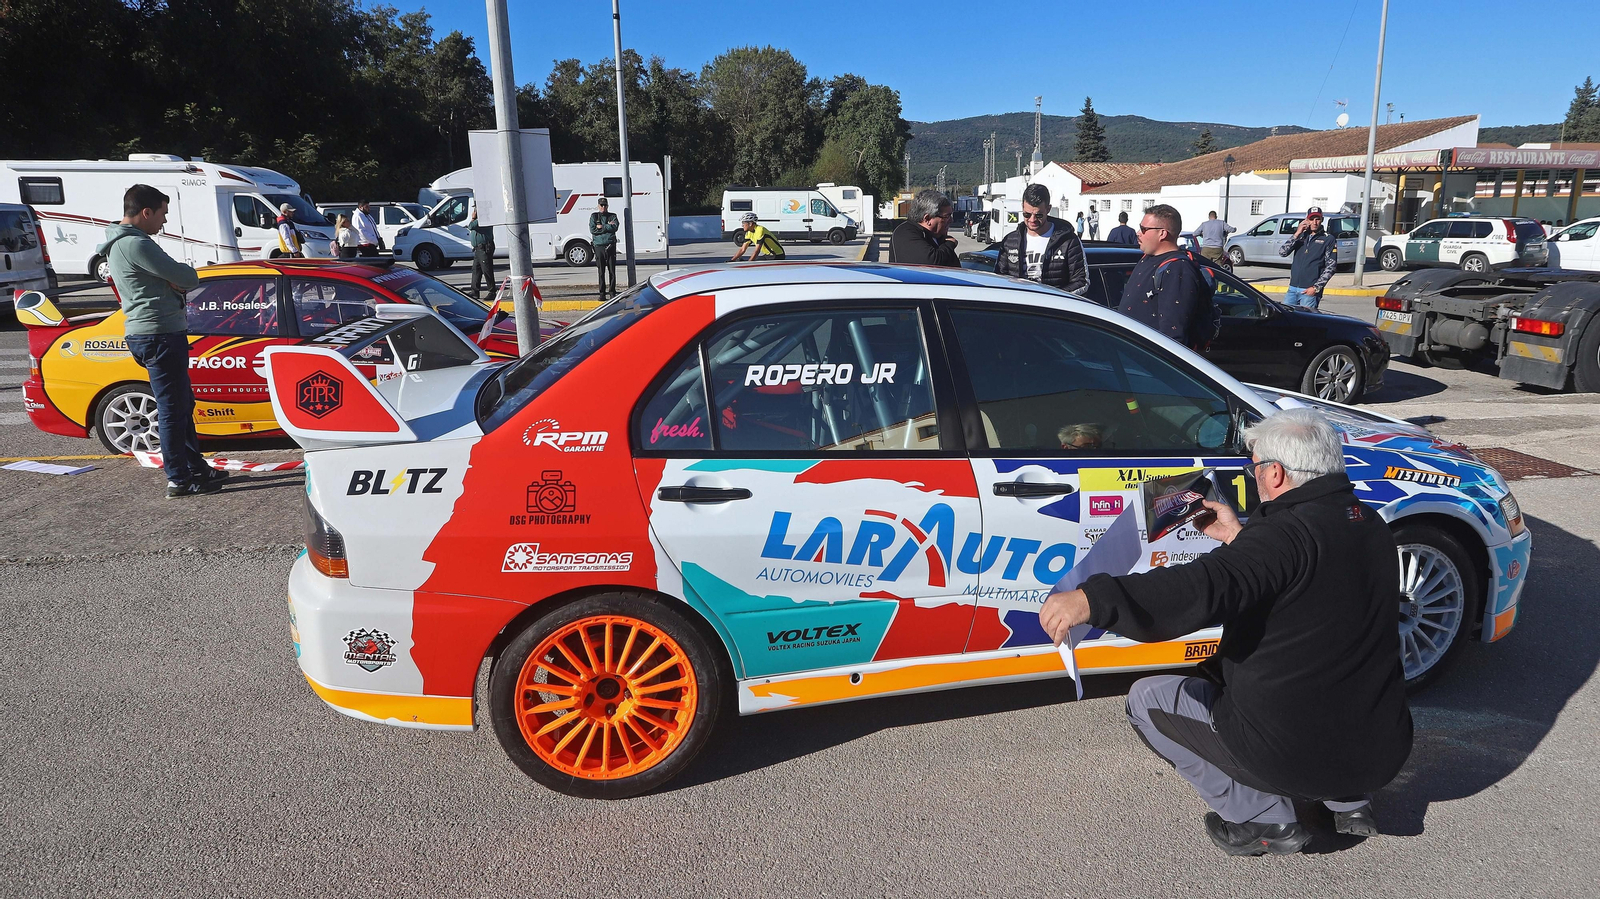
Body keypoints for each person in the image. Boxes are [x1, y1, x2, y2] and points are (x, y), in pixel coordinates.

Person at [1039, 408, 1412, 857]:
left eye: (1254, 467)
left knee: (1146, 700)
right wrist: (1238, 538)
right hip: (1382, 751)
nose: (1254, 477)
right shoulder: (1368, 524)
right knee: (1333, 663)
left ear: (1275, 473)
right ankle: (1349, 804)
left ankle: (1261, 819)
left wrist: (1094, 600)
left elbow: (1200, 588)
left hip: (1294, 755)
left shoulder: (1282, 535)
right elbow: (1309, 584)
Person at [97, 184, 226, 499]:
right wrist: (176, 278)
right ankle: (179, 479)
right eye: (162, 215)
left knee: (182, 405)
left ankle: (196, 469)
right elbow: (189, 278)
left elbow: (174, 278)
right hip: (159, 333)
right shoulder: (136, 245)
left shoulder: (120, 244)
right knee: (171, 409)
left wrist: (171, 279)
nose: (163, 223)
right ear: (146, 212)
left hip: (153, 333)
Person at [1116, 204, 1212, 350]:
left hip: (1148, 363)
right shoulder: (1147, 258)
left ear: (1162, 233)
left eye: (1144, 229)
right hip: (1130, 357)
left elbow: (1172, 334)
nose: (1138, 233)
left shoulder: (1177, 269)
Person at [993, 183, 1088, 292]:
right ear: (1022, 208)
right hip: (1019, 306)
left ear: (1048, 209)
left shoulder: (1068, 241)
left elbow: (1081, 281)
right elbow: (999, 279)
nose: (1032, 220)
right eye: (1027, 215)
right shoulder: (1009, 242)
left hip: (1053, 306)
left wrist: (1054, 300)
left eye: (1038, 215)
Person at [1278, 206, 1338, 309]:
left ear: (1322, 220)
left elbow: (1331, 267)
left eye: (1317, 219)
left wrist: (1316, 288)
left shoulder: (1328, 239)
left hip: (1309, 291)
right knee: (1287, 321)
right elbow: (1283, 252)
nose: (1314, 222)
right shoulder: (1301, 236)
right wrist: (1297, 233)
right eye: (1311, 219)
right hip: (1293, 288)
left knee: (1306, 322)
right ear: (1306, 220)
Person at [888, 189, 959, 267]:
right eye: (947, 216)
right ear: (927, 218)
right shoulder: (905, 233)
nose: (951, 220)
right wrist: (949, 244)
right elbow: (931, 261)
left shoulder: (937, 236)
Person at [590, 197, 620, 298]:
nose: (603, 207)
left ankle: (612, 292)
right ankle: (602, 294)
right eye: (601, 205)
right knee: (601, 271)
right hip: (599, 247)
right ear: (598, 206)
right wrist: (607, 226)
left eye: (605, 205)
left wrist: (602, 227)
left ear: (607, 206)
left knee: (612, 271)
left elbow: (615, 227)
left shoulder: (612, 216)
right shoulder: (594, 216)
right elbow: (593, 230)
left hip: (610, 246)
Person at [468, 205, 496, 299]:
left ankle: (492, 291)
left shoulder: (483, 220)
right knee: (476, 269)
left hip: (484, 248)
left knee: (487, 270)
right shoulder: (479, 221)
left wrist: (472, 217)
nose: (474, 211)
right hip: (478, 249)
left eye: (475, 209)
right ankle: (475, 291)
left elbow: (471, 226)